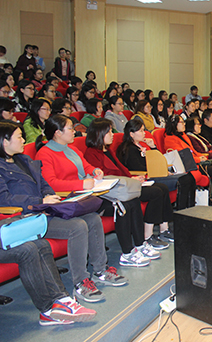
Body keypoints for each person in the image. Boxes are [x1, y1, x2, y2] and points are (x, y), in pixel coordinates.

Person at [0, 121, 127, 304]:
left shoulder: (24, 161)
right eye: (19, 137)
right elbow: (5, 199)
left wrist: (48, 195)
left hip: (44, 210)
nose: (23, 141)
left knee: (92, 218)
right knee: (78, 226)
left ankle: (100, 270)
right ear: (5, 142)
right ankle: (81, 282)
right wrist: (39, 202)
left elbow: (44, 183)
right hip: (26, 218)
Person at [36, 115, 157, 267]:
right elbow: (51, 184)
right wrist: (81, 184)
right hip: (70, 199)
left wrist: (95, 171)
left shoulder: (72, 149)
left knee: (131, 199)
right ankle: (127, 253)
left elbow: (86, 166)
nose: (74, 131)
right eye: (70, 128)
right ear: (58, 133)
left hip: (88, 194)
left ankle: (140, 244)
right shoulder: (45, 154)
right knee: (121, 205)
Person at [84, 118, 173, 250]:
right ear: (99, 133)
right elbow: (104, 176)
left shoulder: (107, 150)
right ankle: (147, 235)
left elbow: (122, 169)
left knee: (163, 188)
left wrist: (133, 178)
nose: (112, 134)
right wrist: (130, 180)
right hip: (116, 189)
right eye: (109, 132)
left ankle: (163, 229)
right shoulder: (92, 153)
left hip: (125, 184)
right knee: (156, 192)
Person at [117, 117, 196, 212]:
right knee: (184, 179)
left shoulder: (142, 145)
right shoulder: (129, 149)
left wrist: (153, 147)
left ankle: (190, 209)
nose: (144, 133)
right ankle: (182, 211)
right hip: (148, 177)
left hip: (156, 174)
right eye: (141, 131)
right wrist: (161, 171)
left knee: (189, 177)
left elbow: (159, 160)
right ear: (132, 134)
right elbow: (138, 167)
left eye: (144, 130)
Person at [164, 115, 212, 204]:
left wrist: (202, 156)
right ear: (174, 124)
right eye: (181, 122)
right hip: (188, 165)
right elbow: (182, 157)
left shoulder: (183, 135)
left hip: (195, 162)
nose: (184, 124)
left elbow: (193, 151)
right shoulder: (170, 139)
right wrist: (198, 159)